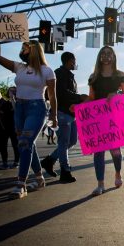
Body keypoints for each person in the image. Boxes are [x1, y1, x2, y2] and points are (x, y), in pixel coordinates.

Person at [0, 39, 57, 199]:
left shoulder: (47, 71)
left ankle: (21, 185)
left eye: (24, 48)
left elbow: (53, 96)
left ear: (33, 51)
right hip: (19, 109)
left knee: (25, 143)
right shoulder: (19, 67)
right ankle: (40, 178)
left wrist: (53, 115)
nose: (22, 51)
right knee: (26, 145)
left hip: (36, 108)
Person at [87, 46, 124, 196]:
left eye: (109, 53)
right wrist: (78, 104)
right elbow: (91, 98)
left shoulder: (120, 75)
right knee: (98, 152)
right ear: (99, 57)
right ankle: (100, 184)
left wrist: (116, 94)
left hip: (115, 118)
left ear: (114, 57)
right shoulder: (93, 77)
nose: (106, 56)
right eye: (103, 54)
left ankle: (118, 173)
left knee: (115, 151)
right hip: (98, 119)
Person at [40, 52, 88, 183]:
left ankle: (49, 160)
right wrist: (79, 97)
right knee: (64, 142)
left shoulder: (68, 74)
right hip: (62, 113)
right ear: (69, 61)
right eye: (74, 61)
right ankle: (65, 171)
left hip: (71, 114)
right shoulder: (60, 73)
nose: (75, 63)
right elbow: (61, 93)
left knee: (72, 141)